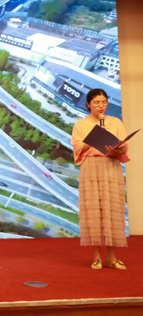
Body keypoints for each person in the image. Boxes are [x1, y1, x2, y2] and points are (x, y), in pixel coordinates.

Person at [71, 88, 129, 270]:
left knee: (113, 211)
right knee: (93, 213)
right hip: (91, 167)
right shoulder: (80, 124)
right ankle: (97, 257)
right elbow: (77, 147)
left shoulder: (115, 122)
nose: (101, 106)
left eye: (104, 102)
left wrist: (118, 149)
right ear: (88, 104)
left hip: (111, 166)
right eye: (96, 103)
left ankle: (112, 257)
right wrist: (96, 135)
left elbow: (124, 146)